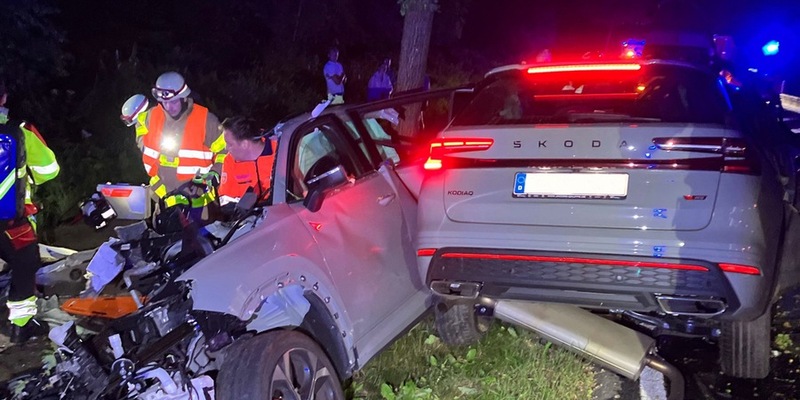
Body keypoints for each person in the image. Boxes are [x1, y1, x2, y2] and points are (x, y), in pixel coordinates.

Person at [0, 78, 60, 343]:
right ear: (3, 99)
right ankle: (21, 326)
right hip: (13, 223)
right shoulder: (20, 132)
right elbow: (50, 169)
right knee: (26, 262)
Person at [137, 72, 226, 210]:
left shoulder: (206, 120)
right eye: (164, 102)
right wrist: (143, 143)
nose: (168, 107)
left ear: (184, 98)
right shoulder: (152, 115)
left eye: (173, 102)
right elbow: (140, 124)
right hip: (163, 197)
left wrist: (216, 172)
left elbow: (225, 150)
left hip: (198, 202)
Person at [218, 116, 274, 207]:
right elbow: (226, 198)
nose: (226, 148)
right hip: (248, 219)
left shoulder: (279, 151)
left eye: (230, 144)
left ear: (245, 144)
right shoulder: (230, 161)